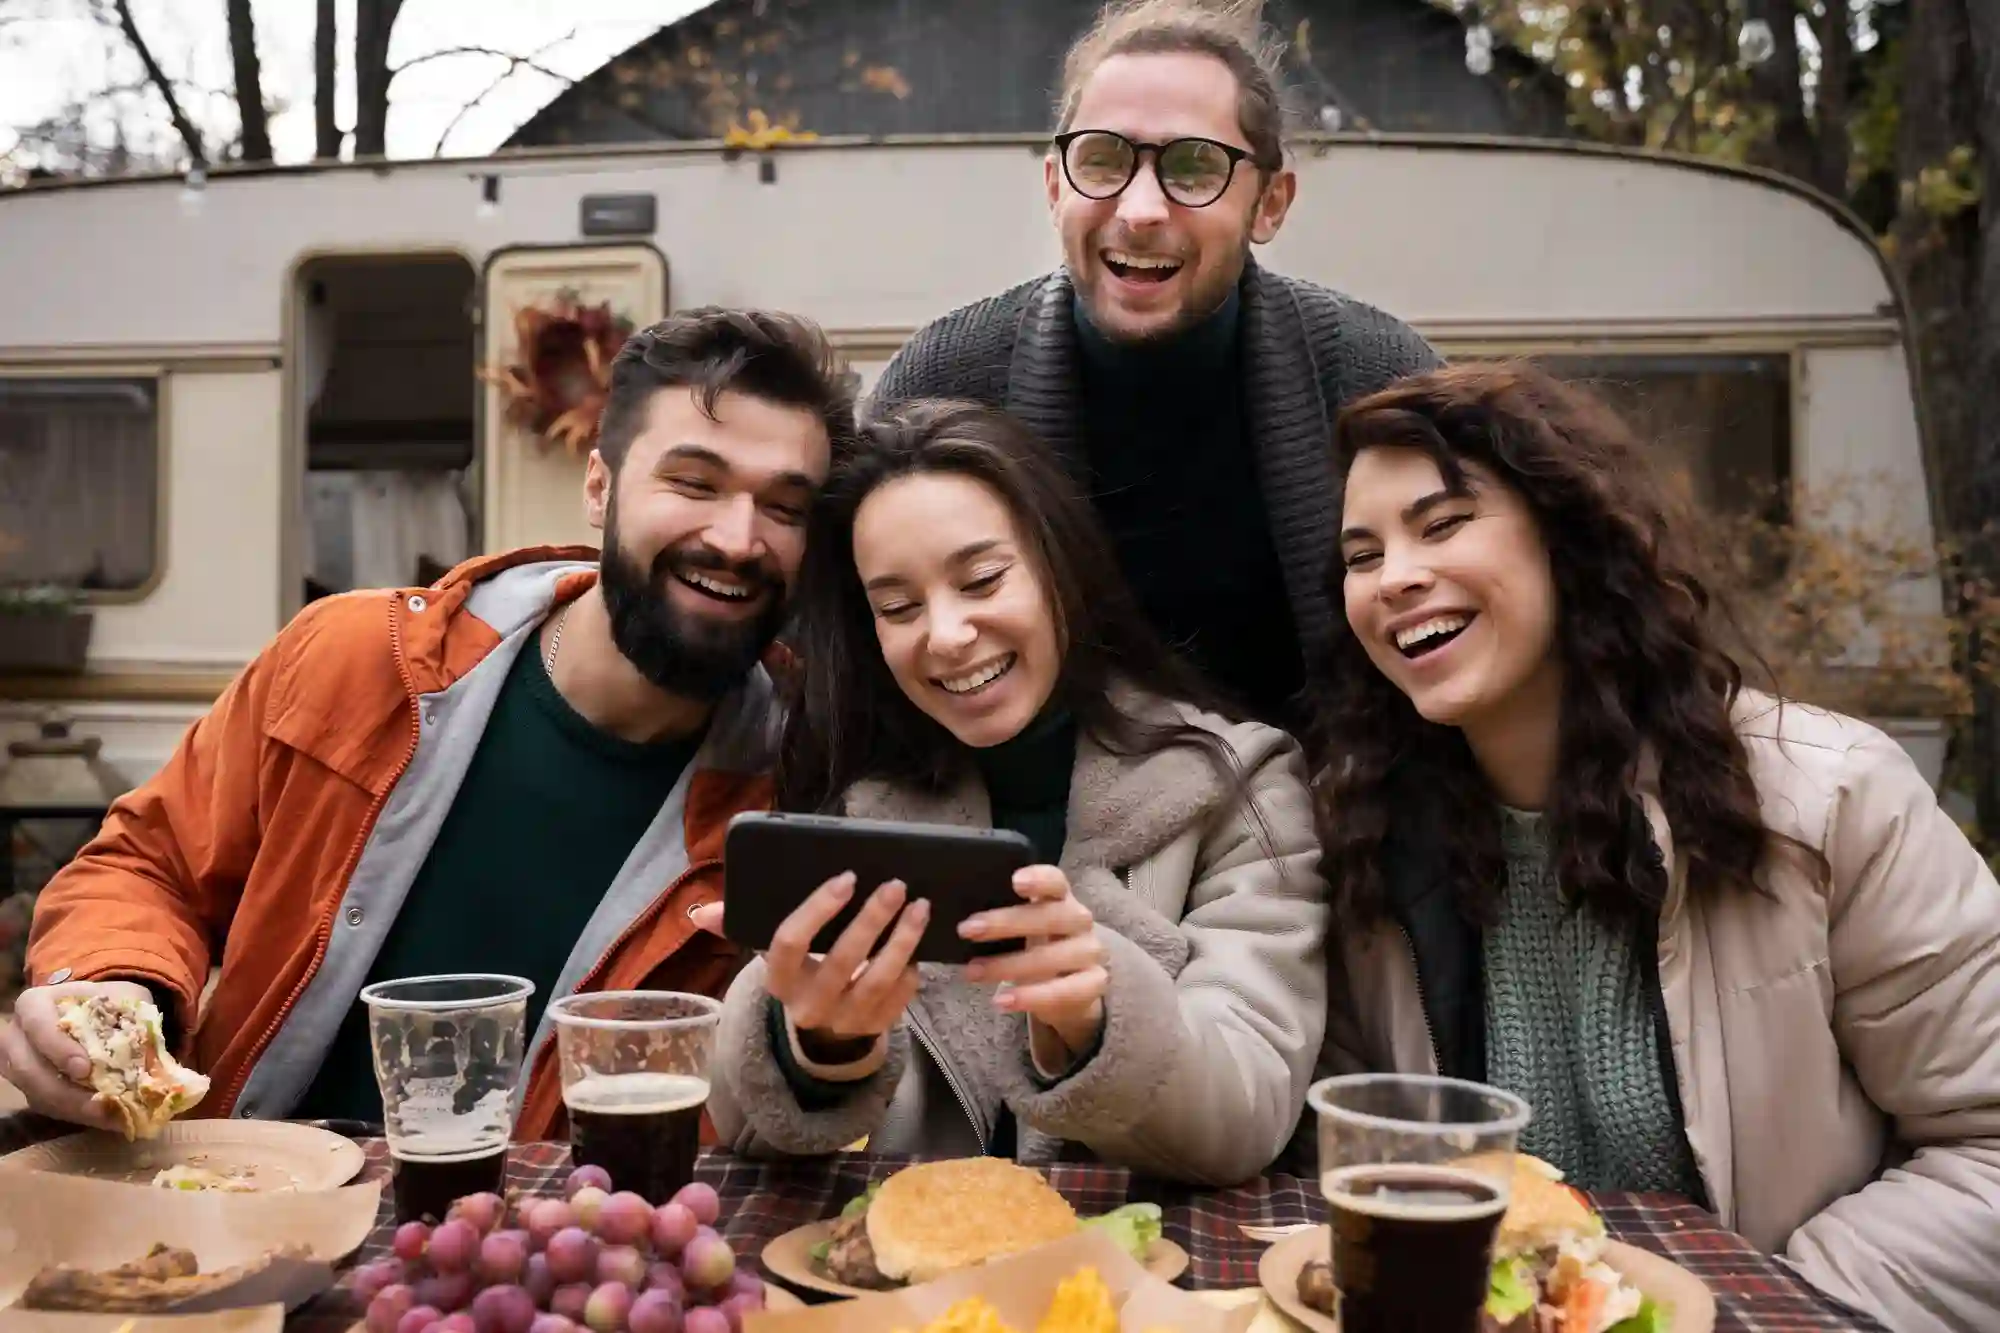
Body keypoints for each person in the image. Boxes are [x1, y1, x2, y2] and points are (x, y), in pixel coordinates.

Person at [5, 309, 858, 1139]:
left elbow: (751, 1109)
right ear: (599, 488)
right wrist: (116, 995)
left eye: (784, 507)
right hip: (246, 1209)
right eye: (694, 482)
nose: (740, 538)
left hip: (537, 1264)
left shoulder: (800, 791)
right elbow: (149, 863)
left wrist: (820, 1049)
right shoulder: (358, 658)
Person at [1313, 362, 2000, 1332]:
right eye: (1359, 554)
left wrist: (1754, 1313)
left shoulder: (1831, 798)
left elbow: (1985, 1146)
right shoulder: (1367, 845)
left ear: (1568, 536)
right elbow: (1348, 1164)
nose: (1394, 577)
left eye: (1440, 524)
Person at [692, 399, 1329, 1186]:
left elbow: (1248, 1110)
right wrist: (817, 1042)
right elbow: (742, 1122)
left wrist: (1094, 1015)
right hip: (906, 1284)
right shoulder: (860, 798)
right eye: (898, 607)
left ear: (1059, 569)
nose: (948, 634)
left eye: (983, 579)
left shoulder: (1238, 784)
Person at [868, 0, 1440, 733]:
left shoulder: (1376, 375)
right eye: (1102, 161)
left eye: (1194, 167)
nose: (1139, 209)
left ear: (1270, 203)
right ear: (1054, 188)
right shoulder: (943, 382)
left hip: (1333, 824)